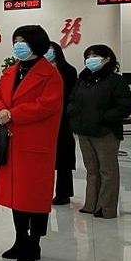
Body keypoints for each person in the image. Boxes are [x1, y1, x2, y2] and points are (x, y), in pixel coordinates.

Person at [0, 25, 63, 261]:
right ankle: (20, 239)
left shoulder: (50, 74)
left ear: (36, 43)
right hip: (11, 142)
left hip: (35, 144)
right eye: (16, 40)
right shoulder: (11, 71)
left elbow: (47, 105)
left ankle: (34, 243)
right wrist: (0, 109)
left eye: (22, 40)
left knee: (34, 196)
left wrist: (13, 114)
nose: (18, 45)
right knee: (17, 195)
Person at [68, 44, 131, 219]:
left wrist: (103, 117)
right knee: (91, 169)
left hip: (106, 131)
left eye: (95, 56)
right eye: (88, 56)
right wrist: (73, 117)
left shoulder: (115, 81)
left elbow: (124, 106)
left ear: (107, 59)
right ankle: (91, 204)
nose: (90, 59)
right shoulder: (83, 79)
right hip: (84, 131)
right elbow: (72, 100)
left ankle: (106, 208)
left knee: (107, 170)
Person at [44, 42, 78, 205]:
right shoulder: (38, 70)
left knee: (63, 157)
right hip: (44, 118)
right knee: (44, 159)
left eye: (49, 50)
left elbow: (71, 95)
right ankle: (43, 191)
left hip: (63, 119)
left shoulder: (68, 70)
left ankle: (63, 193)